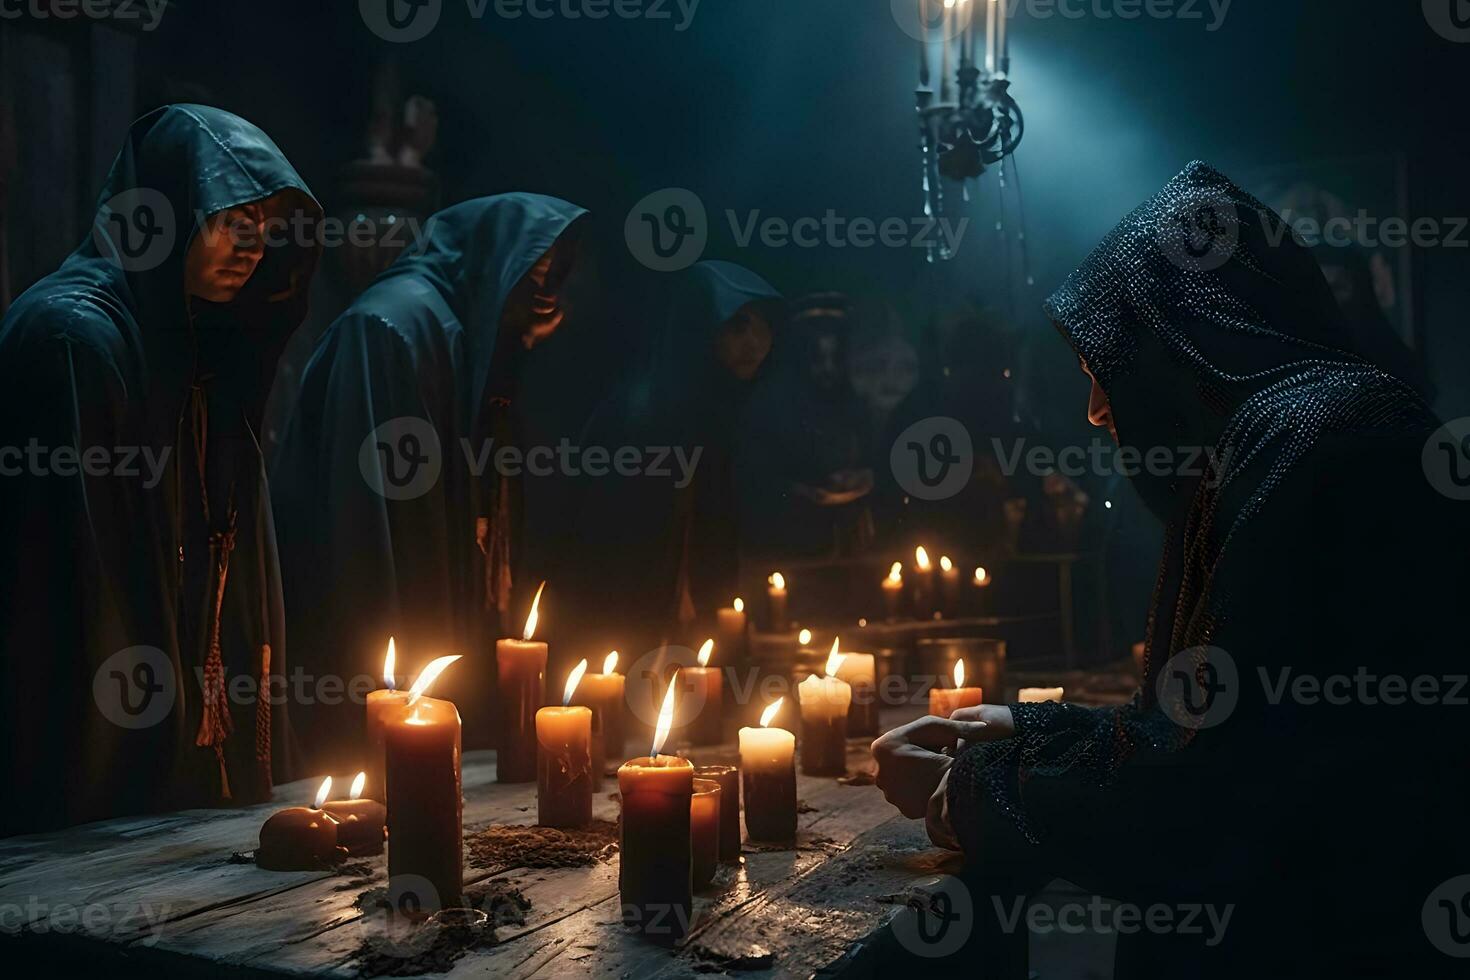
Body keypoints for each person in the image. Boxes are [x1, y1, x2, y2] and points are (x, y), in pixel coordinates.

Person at [871, 162, 1468, 977]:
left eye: (1105, 369)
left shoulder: (1314, 444)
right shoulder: (1301, 426)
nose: (1095, 410)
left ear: (1174, 345)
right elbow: (1204, 725)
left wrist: (971, 794)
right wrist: (1029, 727)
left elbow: (1209, 792)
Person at [0, 105, 323, 834]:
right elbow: (73, 597)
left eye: (266, 229)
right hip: (83, 813)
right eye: (233, 221)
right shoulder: (72, 340)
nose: (253, 248)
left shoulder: (201, 344)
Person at [270, 193, 586, 766]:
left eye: (553, 278)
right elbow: (369, 530)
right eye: (533, 275)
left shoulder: (454, 330)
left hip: (428, 631)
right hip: (380, 647)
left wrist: (514, 347)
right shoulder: (393, 326)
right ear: (491, 260)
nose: (545, 296)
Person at [570, 261, 782, 652]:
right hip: (629, 619)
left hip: (701, 623)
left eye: (762, 325)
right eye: (737, 324)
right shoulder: (639, 413)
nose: (755, 341)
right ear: (701, 326)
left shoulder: (734, 412)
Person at [739, 293, 875, 561]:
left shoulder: (855, 403)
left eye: (836, 359)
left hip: (847, 547)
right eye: (818, 359)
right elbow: (753, 478)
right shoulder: (771, 405)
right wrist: (800, 492)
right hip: (787, 547)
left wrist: (864, 478)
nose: (828, 369)